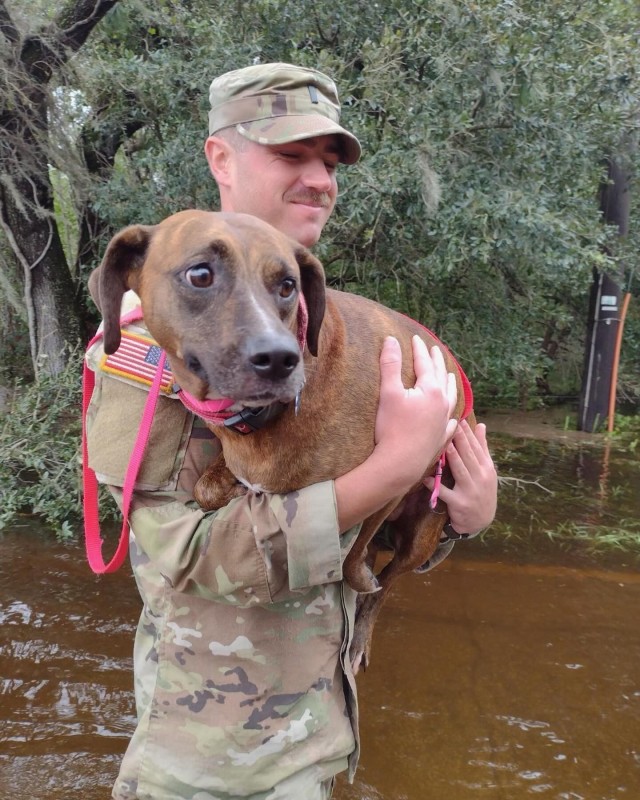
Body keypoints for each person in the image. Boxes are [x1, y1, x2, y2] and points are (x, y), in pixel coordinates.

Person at [85, 63, 497, 800]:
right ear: (220, 157)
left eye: (329, 162)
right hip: (204, 761)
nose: (319, 180)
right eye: (290, 154)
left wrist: (464, 515)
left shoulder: (329, 341)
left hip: (319, 741)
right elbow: (183, 562)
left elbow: (373, 554)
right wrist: (390, 469)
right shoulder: (147, 351)